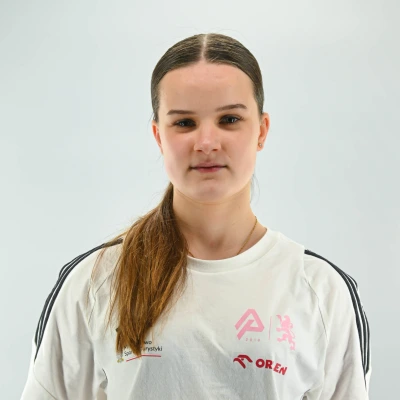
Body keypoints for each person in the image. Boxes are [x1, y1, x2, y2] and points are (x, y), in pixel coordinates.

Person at [21, 33, 372, 400]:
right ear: (159, 136)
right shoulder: (95, 280)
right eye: (184, 123)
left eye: (230, 119)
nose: (206, 142)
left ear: (262, 131)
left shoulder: (321, 289)